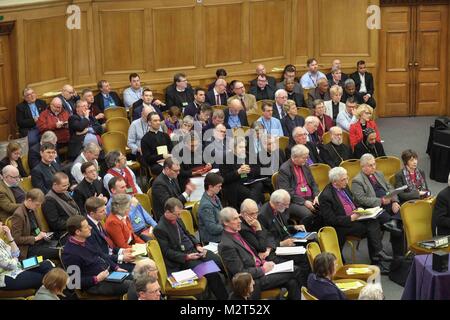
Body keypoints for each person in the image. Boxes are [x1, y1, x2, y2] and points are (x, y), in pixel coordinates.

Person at [218, 207, 302, 300]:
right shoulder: (226, 245)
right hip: (254, 280)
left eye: (238, 217)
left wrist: (262, 262)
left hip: (261, 267)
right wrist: (263, 269)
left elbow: (255, 251)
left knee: (292, 282)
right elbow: (240, 273)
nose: (240, 221)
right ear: (225, 222)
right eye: (235, 219)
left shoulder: (236, 233)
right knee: (296, 270)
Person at [154, 198, 228, 300]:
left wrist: (198, 245)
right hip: (183, 259)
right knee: (211, 272)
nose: (179, 216)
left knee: (221, 262)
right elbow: (167, 252)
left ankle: (237, 289)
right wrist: (187, 257)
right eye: (177, 214)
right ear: (167, 212)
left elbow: (188, 234)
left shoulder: (177, 219)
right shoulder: (159, 229)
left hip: (195, 250)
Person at [319, 167, 391, 268]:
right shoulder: (326, 196)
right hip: (342, 225)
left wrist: (360, 209)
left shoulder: (344, 186)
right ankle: (377, 257)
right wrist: (350, 218)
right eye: (343, 180)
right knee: (371, 228)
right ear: (335, 182)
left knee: (374, 221)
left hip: (356, 217)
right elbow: (330, 220)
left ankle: (378, 256)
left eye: (346, 178)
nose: (347, 181)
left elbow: (354, 201)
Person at [62, 215, 131, 296]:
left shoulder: (86, 239)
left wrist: (116, 267)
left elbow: (101, 254)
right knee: (133, 286)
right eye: (86, 227)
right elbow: (74, 281)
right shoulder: (70, 254)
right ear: (78, 232)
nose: (90, 228)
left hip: (109, 274)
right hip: (95, 285)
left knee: (139, 279)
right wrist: (96, 279)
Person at [352, 154, 404, 258]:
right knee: (397, 227)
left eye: (374, 164)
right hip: (375, 208)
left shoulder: (378, 174)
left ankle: (399, 253)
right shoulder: (357, 181)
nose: (374, 167)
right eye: (371, 165)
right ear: (363, 167)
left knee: (402, 213)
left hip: (388, 203)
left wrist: (394, 201)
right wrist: (380, 201)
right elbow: (361, 199)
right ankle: (392, 224)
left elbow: (390, 187)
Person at [258, 190, 311, 282]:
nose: (287, 207)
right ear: (278, 203)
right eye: (286, 204)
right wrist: (281, 243)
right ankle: (304, 286)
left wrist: (294, 227)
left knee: (311, 242)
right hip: (275, 250)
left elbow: (282, 227)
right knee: (303, 257)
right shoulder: (263, 215)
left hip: (285, 240)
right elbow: (266, 239)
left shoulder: (277, 209)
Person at [0, 221, 54, 291]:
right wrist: (15, 258)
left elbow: (16, 253)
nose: (1, 223)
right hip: (5, 275)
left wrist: (9, 236)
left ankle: (60, 291)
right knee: (42, 278)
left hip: (19, 264)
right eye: (0, 223)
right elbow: (11, 265)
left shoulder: (0, 240)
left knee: (46, 263)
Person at [85, 197, 135, 272]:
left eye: (105, 209)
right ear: (92, 214)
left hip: (112, 256)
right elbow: (99, 254)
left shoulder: (97, 221)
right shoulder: (88, 229)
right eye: (102, 211)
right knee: (143, 267)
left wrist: (122, 251)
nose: (105, 212)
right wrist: (121, 257)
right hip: (107, 263)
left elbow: (109, 244)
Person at [11, 188, 59, 260]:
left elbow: (37, 227)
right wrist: (35, 238)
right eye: (37, 204)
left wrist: (43, 233)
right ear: (29, 200)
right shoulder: (18, 215)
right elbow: (16, 238)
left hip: (40, 242)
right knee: (59, 252)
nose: (39, 207)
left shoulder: (33, 208)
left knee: (63, 244)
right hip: (29, 248)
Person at [278, 144, 320, 225]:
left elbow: (313, 183)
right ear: (295, 157)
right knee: (309, 215)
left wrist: (316, 196)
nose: (307, 160)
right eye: (304, 158)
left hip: (310, 198)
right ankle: (311, 235)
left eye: (307, 157)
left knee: (326, 208)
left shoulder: (305, 165)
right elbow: (287, 192)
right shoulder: (284, 169)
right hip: (294, 202)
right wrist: (304, 202)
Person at [106, 177, 156, 241]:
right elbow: (126, 221)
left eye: (125, 186)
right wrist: (133, 206)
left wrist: (155, 225)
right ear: (113, 190)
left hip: (145, 227)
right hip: (134, 234)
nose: (126, 189)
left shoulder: (129, 197)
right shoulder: (112, 205)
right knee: (154, 244)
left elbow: (144, 213)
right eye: (122, 187)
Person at [220, 137, 264, 210]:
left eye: (244, 147)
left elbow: (258, 169)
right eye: (240, 147)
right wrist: (238, 172)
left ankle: (252, 208)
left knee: (259, 184)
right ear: (233, 148)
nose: (243, 149)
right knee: (251, 194)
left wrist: (250, 170)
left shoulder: (249, 155)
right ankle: (255, 207)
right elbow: (224, 178)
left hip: (248, 181)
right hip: (235, 184)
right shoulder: (225, 159)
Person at [42, 172, 81, 242]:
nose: (67, 187)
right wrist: (75, 223)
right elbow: (55, 223)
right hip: (64, 232)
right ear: (55, 184)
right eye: (64, 186)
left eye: (68, 184)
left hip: (75, 224)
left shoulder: (65, 192)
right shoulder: (48, 200)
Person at [141, 112, 173, 176]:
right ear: (149, 123)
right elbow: (148, 159)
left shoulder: (165, 135)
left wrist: (167, 158)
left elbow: (172, 150)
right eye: (155, 121)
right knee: (166, 169)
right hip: (155, 164)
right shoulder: (145, 139)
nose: (158, 122)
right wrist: (162, 156)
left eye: (159, 120)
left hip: (168, 161)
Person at [198, 173, 224, 244]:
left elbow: (222, 214)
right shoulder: (206, 205)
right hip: (213, 239)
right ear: (210, 187)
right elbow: (212, 228)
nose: (220, 188)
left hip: (220, 231)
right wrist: (227, 225)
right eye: (219, 186)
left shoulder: (215, 197)